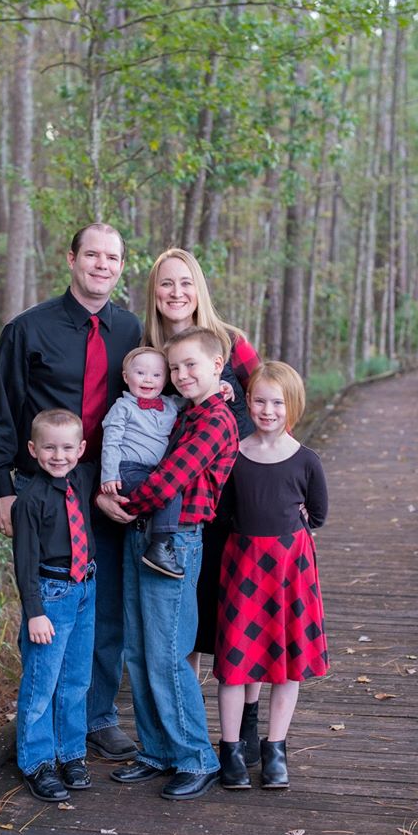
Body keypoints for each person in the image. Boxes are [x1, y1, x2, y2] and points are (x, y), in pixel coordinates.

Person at [0, 223, 142, 761]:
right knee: (49, 605)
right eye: (92, 254)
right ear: (72, 259)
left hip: (108, 485)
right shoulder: (29, 329)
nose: (102, 265)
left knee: (106, 606)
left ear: (121, 266)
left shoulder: (131, 330)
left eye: (112, 257)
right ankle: (42, 727)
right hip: (44, 487)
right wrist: (2, 487)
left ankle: (96, 717)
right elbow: (1, 411)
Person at [97, 327, 239, 801]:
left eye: (190, 365)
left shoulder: (215, 420)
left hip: (175, 540)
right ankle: (157, 750)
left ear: (217, 366)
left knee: (167, 653)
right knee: (138, 650)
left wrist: (116, 502)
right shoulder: (185, 411)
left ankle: (196, 757)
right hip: (140, 533)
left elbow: (168, 479)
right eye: (174, 368)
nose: (180, 375)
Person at [141, 248, 260, 673]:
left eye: (186, 282)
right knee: (186, 612)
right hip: (180, 503)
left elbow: (271, 402)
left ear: (199, 289)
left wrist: (287, 480)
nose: (177, 292)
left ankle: (242, 710)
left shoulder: (231, 342)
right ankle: (188, 702)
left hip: (238, 494)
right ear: (155, 293)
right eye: (166, 283)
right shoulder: (147, 354)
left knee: (237, 606)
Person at [213, 362, 329, 791]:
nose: (267, 410)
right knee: (235, 663)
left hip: (289, 569)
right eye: (259, 401)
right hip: (243, 564)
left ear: (292, 405)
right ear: (247, 402)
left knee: (286, 666)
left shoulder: (306, 460)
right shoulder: (235, 455)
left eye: (277, 403)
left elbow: (318, 513)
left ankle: (275, 748)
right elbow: (223, 512)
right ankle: (230, 750)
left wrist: (292, 524)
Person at [12, 410, 97, 803]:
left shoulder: (81, 479)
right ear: (33, 449)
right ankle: (37, 762)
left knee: (76, 678)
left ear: (80, 449)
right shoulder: (29, 501)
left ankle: (71, 753)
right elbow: (24, 561)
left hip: (86, 588)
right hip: (51, 594)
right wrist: (35, 612)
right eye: (49, 448)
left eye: (67, 448)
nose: (58, 456)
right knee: (41, 682)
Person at [101, 346, 184, 578]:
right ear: (126, 377)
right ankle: (160, 546)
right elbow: (111, 442)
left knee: (169, 488)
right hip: (127, 470)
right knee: (169, 491)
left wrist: (222, 386)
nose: (148, 379)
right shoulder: (123, 407)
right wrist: (109, 475)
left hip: (153, 471)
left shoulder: (171, 404)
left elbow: (198, 397)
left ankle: (157, 544)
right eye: (140, 373)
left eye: (156, 375)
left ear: (165, 380)